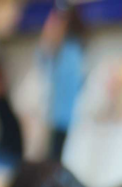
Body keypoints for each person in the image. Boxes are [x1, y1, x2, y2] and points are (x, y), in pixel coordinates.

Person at [39, 4, 86, 161]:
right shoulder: (63, 51)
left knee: (55, 162)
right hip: (58, 117)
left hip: (65, 119)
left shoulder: (71, 52)